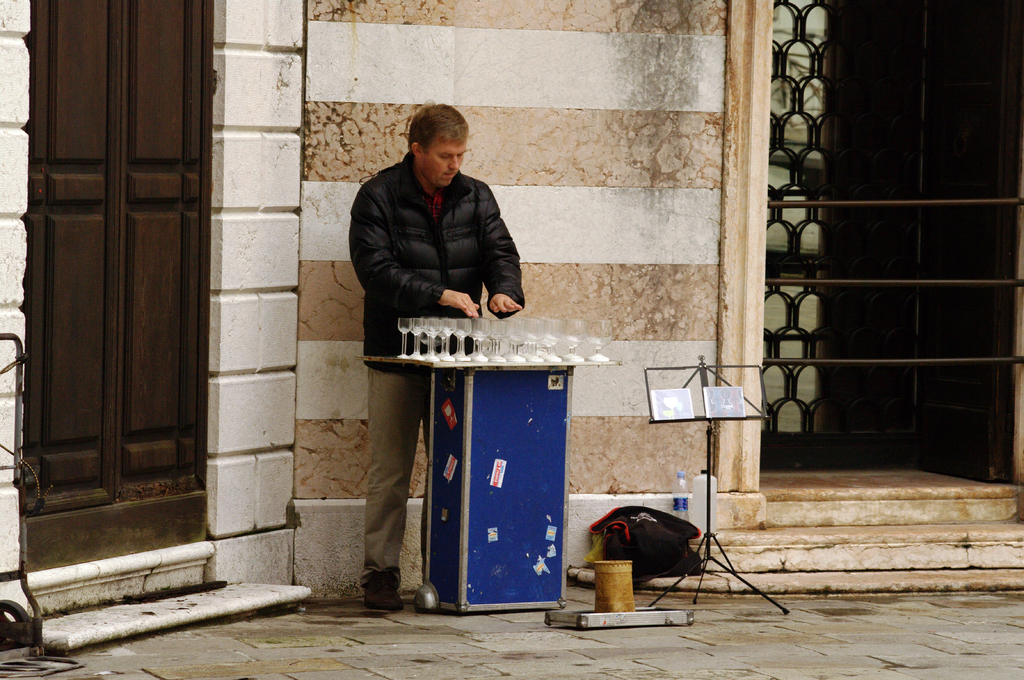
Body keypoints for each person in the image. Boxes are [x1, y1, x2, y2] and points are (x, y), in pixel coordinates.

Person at [349, 103, 525, 610]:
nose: (455, 164)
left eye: (461, 154)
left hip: (456, 358)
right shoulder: (378, 195)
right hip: (396, 355)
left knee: (453, 468)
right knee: (390, 471)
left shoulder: (476, 194)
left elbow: (501, 252)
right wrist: (438, 294)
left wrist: (504, 291)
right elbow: (374, 270)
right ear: (417, 150)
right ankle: (380, 575)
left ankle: (444, 572)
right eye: (446, 155)